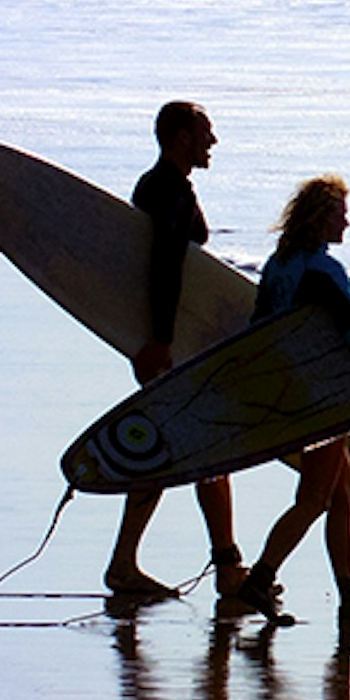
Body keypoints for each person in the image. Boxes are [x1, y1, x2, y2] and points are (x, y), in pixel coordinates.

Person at [224, 175, 350, 629]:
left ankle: (349, 597)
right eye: (339, 212)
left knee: (342, 494)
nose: (346, 221)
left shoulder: (277, 265)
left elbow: (259, 327)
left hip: (291, 391)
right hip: (323, 397)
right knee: (313, 499)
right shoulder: (323, 271)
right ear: (319, 217)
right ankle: (261, 578)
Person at [103, 101, 247, 606]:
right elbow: (165, 265)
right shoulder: (170, 192)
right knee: (189, 452)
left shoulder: (156, 186)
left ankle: (139, 563)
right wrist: (161, 339)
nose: (213, 141)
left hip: (161, 336)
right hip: (168, 342)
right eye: (205, 132)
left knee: (185, 452)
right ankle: (220, 568)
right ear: (182, 136)